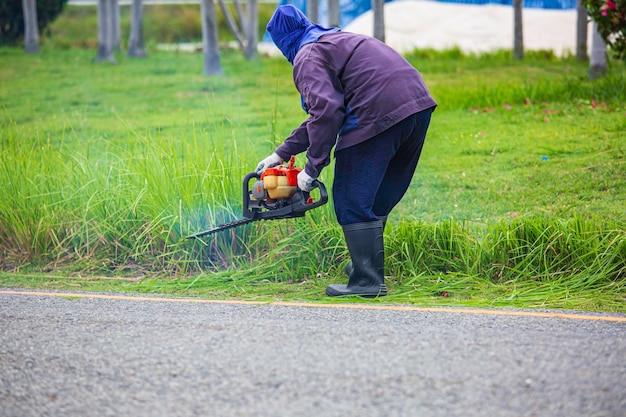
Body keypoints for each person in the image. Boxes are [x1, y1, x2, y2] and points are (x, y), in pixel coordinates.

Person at [256, 5, 437, 297]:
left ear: (282, 41)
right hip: (416, 108)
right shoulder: (334, 41)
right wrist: (280, 154)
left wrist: (311, 169)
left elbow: (326, 113)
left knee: (351, 198)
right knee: (374, 200)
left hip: (376, 114)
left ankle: (366, 282)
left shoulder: (307, 56)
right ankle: (366, 269)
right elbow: (325, 113)